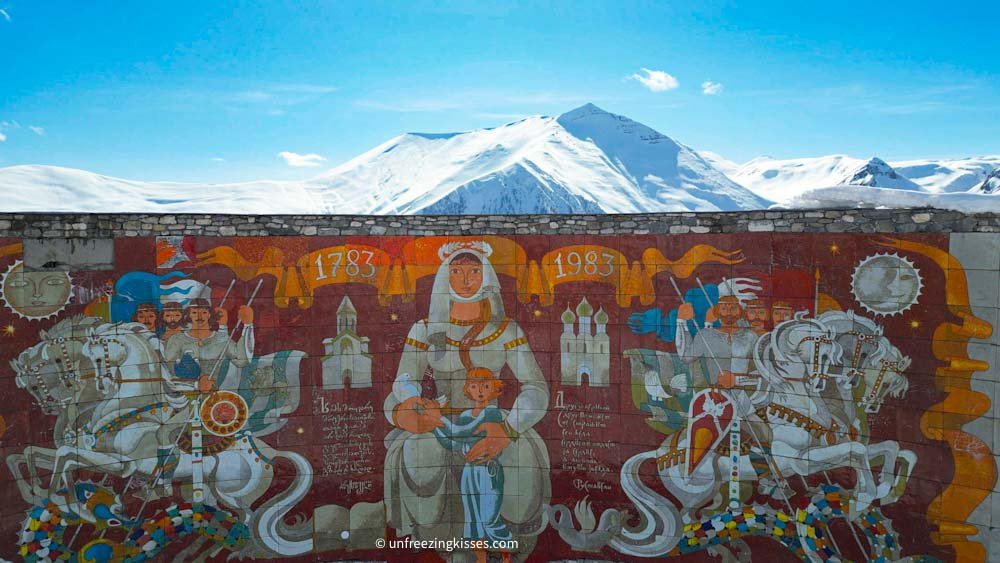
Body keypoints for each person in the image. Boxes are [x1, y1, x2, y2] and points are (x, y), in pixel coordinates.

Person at [384, 241, 550, 559]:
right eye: (456, 271)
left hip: (493, 421)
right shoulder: (424, 330)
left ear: (485, 276)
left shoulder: (505, 330)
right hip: (440, 421)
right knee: (420, 451)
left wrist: (510, 428)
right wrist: (402, 412)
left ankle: (508, 538)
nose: (465, 280)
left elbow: (535, 387)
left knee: (520, 454)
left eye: (474, 271)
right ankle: (444, 543)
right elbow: (400, 385)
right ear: (444, 279)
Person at [431, 367, 513, 563]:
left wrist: (439, 418)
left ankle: (507, 558)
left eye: (486, 386)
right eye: (475, 386)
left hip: (489, 471)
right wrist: (434, 425)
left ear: (494, 389)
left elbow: (463, 432)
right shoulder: (466, 415)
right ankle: (480, 560)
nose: (480, 391)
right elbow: (453, 443)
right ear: (468, 390)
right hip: (470, 473)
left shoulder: (493, 414)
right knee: (474, 520)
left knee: (490, 519)